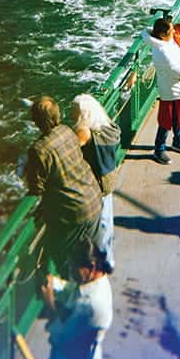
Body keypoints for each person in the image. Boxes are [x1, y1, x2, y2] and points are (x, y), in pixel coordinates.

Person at [24, 96, 105, 276]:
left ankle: (72, 296)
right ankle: (97, 292)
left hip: (74, 211)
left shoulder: (39, 150)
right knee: (95, 257)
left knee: (71, 265)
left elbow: (36, 188)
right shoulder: (67, 131)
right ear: (57, 115)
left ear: (36, 121)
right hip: (93, 198)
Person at [39, 241, 113, 359]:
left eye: (74, 267)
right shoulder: (97, 282)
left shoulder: (90, 304)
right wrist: (55, 283)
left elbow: (63, 332)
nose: (71, 272)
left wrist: (49, 301)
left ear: (91, 266)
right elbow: (75, 292)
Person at [70, 94, 120, 272]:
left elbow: (71, 150)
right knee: (107, 222)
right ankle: (109, 259)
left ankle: (98, 262)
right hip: (109, 179)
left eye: (74, 112)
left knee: (96, 227)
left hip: (96, 184)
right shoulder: (108, 127)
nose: (70, 115)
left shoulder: (85, 132)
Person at [142, 17, 180, 164]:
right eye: (171, 29)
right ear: (162, 34)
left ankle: (178, 142)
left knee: (179, 119)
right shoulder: (162, 52)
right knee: (166, 121)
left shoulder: (167, 42)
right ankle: (159, 149)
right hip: (172, 91)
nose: (174, 30)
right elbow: (179, 72)